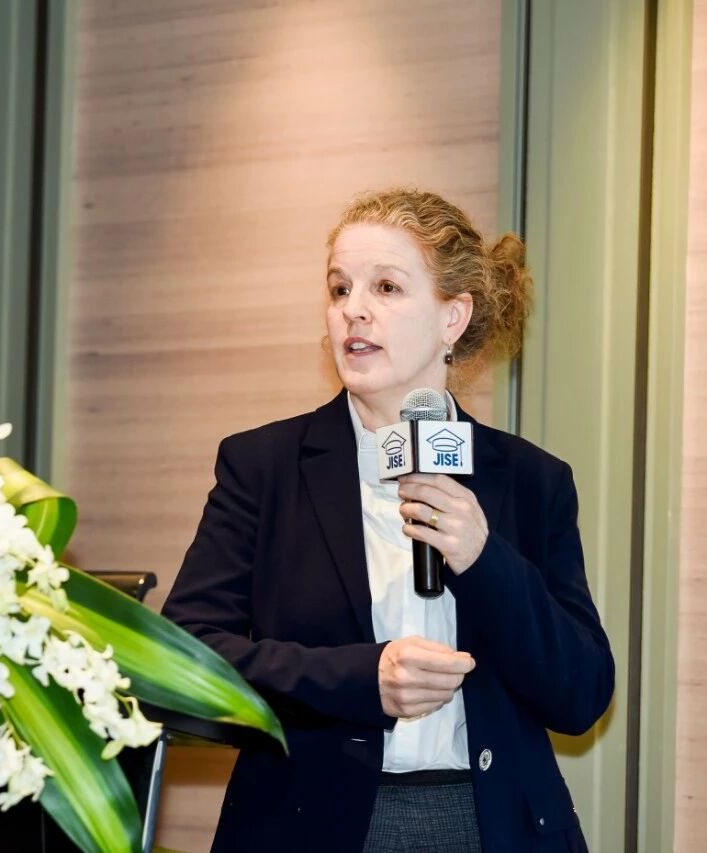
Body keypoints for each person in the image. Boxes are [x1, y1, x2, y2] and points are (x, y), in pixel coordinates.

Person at [160, 188, 614, 853]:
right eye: (340, 288)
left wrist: (484, 557)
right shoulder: (263, 466)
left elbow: (580, 694)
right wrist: (360, 679)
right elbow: (184, 661)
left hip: (489, 827)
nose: (354, 309)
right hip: (308, 826)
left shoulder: (531, 480)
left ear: (453, 317)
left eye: (387, 287)